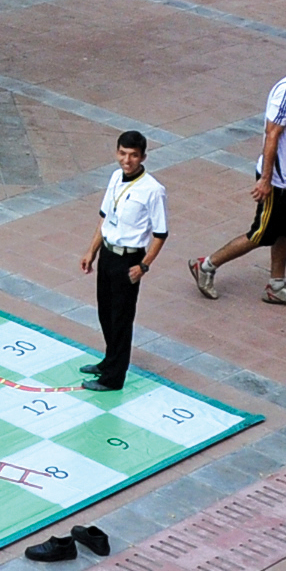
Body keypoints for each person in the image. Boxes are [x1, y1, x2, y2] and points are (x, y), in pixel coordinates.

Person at [193, 34, 286, 309]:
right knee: (261, 234)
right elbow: (272, 134)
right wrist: (266, 180)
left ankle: (276, 286)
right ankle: (206, 265)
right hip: (277, 180)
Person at [89, 129, 170, 391]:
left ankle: (114, 378)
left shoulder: (153, 190)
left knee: (121, 319)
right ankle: (109, 361)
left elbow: (160, 233)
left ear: (143, 157)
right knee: (105, 312)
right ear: (116, 152)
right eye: (123, 154)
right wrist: (91, 251)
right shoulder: (115, 177)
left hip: (129, 260)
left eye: (133, 155)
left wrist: (144, 266)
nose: (127, 160)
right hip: (108, 253)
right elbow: (104, 216)